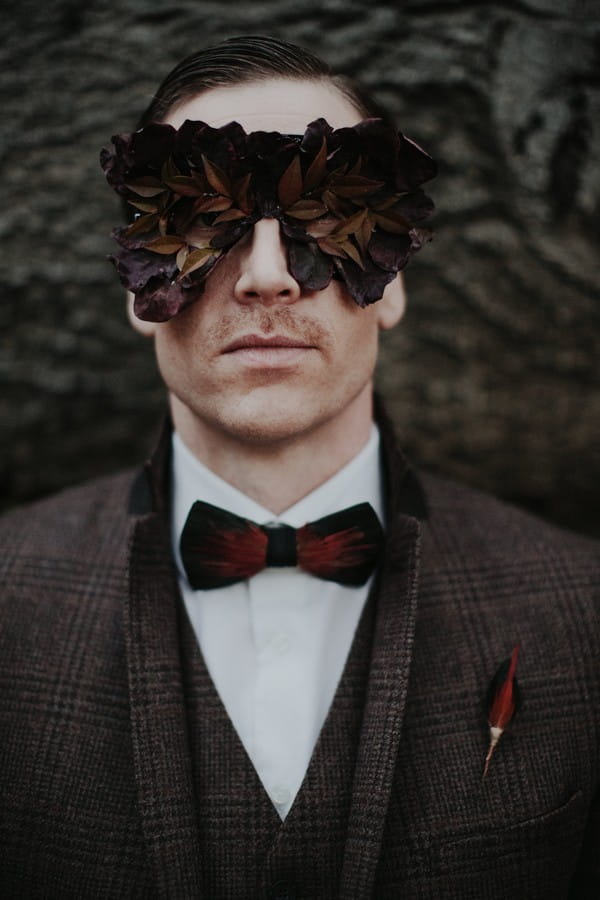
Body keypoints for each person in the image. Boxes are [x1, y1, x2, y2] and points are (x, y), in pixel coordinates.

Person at [0, 35, 597, 900]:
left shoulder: (584, 610)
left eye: (324, 220)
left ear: (391, 280)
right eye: (205, 221)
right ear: (138, 281)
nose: (270, 277)